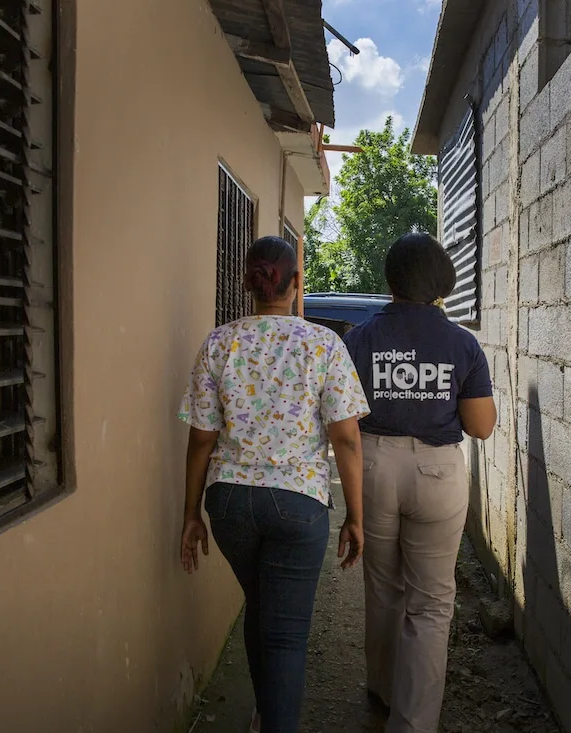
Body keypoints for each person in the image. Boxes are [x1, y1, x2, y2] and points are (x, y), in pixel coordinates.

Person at [178, 236, 370, 733]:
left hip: (229, 504)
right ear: (296, 283)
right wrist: (355, 515)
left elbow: (201, 440)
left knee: (261, 608)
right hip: (298, 504)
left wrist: (190, 515)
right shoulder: (324, 344)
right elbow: (346, 440)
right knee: (284, 635)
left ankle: (266, 713)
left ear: (249, 284)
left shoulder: (219, 342)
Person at [343, 233, 497, 733]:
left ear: (391, 280)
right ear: (442, 282)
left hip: (371, 468)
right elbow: (480, 426)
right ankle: (412, 723)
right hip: (436, 473)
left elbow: (342, 419)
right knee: (431, 602)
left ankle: (384, 692)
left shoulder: (358, 338)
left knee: (383, 588)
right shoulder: (462, 344)